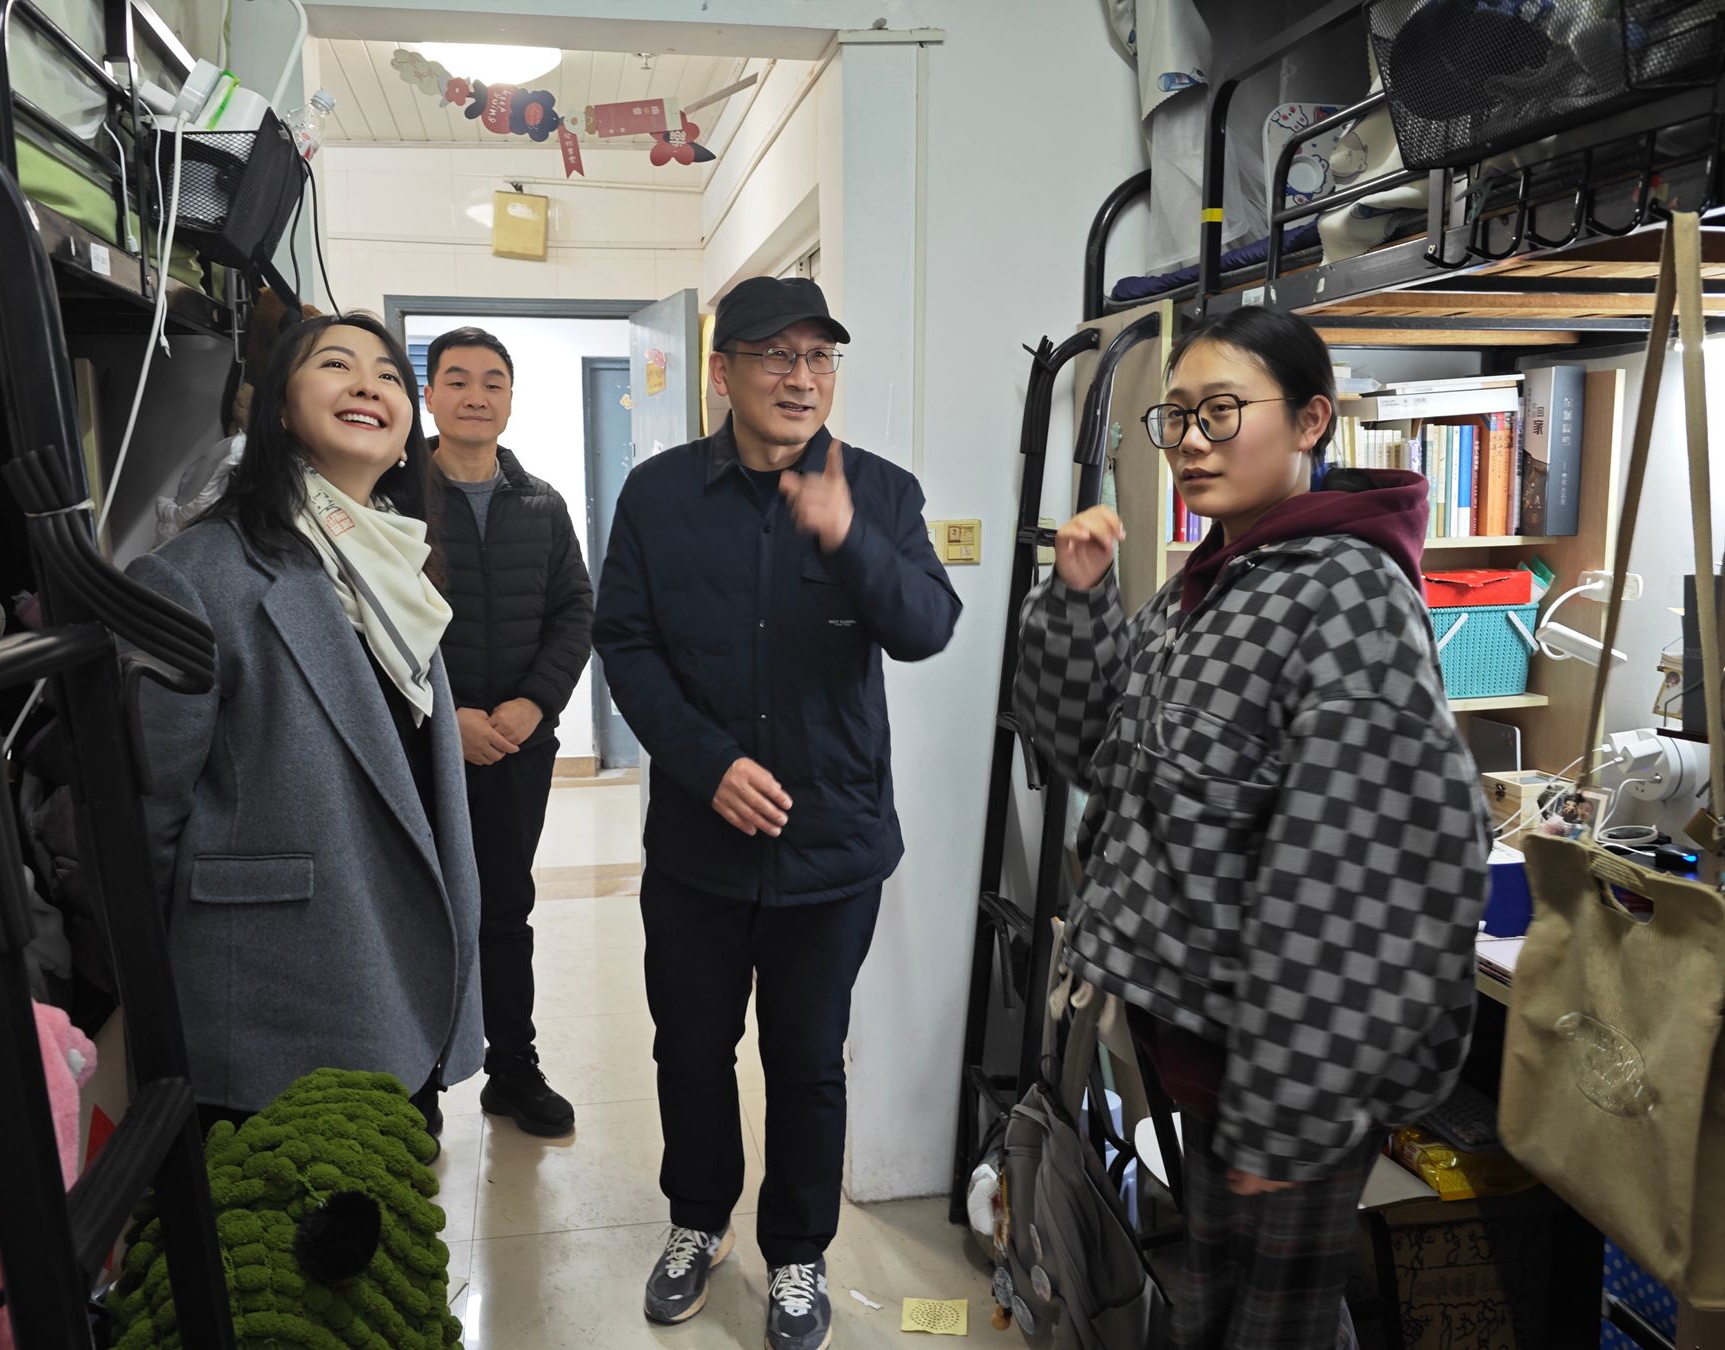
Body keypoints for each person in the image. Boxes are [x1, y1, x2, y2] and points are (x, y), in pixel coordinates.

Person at [1015, 306, 1488, 1348]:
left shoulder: (1348, 597)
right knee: (1224, 1305)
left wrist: (1289, 1106)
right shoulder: (1213, 582)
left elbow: (1358, 876)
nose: (1191, 441)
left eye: (1221, 412)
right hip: (1204, 1040)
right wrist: (1078, 603)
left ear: (1312, 420)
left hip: (1288, 1064)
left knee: (1271, 1325)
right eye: (1177, 416)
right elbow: (1085, 754)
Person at [593, 276, 961, 1350]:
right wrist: (706, 763)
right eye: (775, 356)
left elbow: (928, 626)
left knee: (806, 1061)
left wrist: (851, 538)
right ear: (722, 372)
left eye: (819, 357)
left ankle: (798, 1252)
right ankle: (698, 1221)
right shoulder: (657, 496)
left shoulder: (880, 492)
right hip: (698, 847)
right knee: (690, 1049)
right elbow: (625, 643)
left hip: (831, 848)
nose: (801, 378)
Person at [128, 312, 482, 1140]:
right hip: (276, 995)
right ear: (281, 412)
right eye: (335, 364)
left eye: (389, 375)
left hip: (401, 975)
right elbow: (145, 812)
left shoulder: (401, 571)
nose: (368, 385)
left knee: (389, 1204)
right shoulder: (198, 574)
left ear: (407, 436)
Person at [423, 325, 593, 1137]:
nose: (476, 395)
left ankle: (513, 1071)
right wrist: (441, 714)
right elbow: (371, 625)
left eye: (493, 381)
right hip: (423, 743)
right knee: (416, 911)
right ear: (429, 396)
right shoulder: (392, 500)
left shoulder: (542, 505)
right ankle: (415, 1087)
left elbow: (575, 613)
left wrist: (535, 705)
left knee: (505, 908)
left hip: (519, 746)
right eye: (457, 380)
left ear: (511, 399)